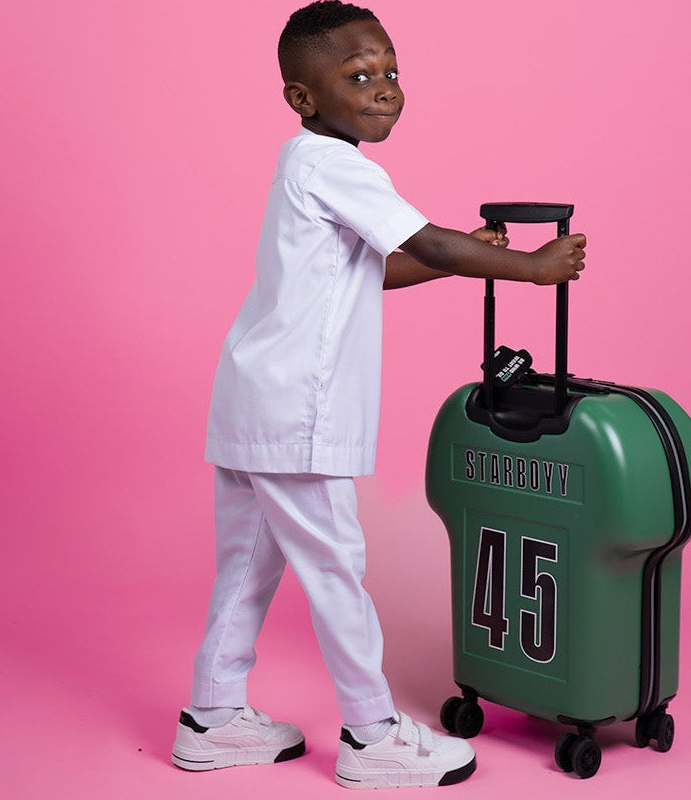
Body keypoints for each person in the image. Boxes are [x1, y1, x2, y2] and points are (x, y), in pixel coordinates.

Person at [172, 1, 586, 789]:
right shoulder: (337, 166)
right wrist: (532, 268)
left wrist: (466, 253)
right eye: (359, 77)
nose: (385, 88)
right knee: (336, 570)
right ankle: (372, 735)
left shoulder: (303, 165)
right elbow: (428, 241)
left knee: (246, 569)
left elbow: (379, 268)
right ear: (303, 97)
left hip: (252, 402)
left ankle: (212, 718)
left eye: (391, 71)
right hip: (296, 413)